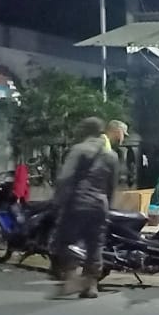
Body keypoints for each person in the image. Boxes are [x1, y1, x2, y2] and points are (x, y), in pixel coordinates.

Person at [49, 117, 119, 299]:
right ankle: (91, 284)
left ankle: (71, 278)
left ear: (85, 131)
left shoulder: (78, 150)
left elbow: (65, 178)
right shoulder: (111, 155)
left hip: (78, 202)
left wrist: (57, 201)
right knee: (95, 245)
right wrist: (108, 205)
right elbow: (112, 185)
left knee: (64, 241)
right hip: (100, 204)